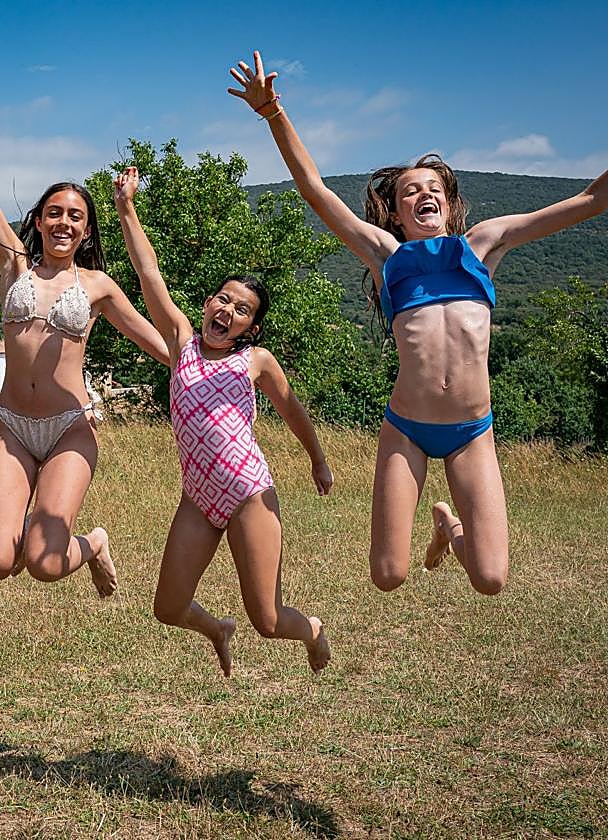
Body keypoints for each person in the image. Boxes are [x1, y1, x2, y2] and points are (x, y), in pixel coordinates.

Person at [228, 50, 608, 595]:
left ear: (450, 205)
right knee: (388, 575)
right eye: (409, 190)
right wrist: (273, 114)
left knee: (491, 578)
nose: (422, 194)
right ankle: (433, 527)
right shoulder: (386, 256)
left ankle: (448, 530)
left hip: (472, 430)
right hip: (406, 426)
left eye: (433, 187)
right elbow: (315, 189)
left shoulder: (484, 244)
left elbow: (591, 199)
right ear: (397, 212)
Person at [0, 65, 169, 595]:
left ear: (86, 229)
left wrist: (221, 364)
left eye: (76, 216)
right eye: (54, 213)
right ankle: (56, 540)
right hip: (11, 426)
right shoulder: (14, 267)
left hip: (70, 427)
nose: (64, 223)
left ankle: (92, 542)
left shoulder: (98, 286)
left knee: (46, 564)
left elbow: (164, 345)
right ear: (39, 219)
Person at [113, 167, 332, 674]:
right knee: (167, 607)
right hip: (197, 495)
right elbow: (150, 276)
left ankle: (313, 630)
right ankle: (217, 628)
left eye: (242, 310)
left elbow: (292, 410)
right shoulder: (181, 343)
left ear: (251, 327)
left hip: (247, 492)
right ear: (209, 303)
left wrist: (317, 458)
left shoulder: (255, 361)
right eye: (223, 299)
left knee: (269, 619)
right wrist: (126, 207)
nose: (228, 310)